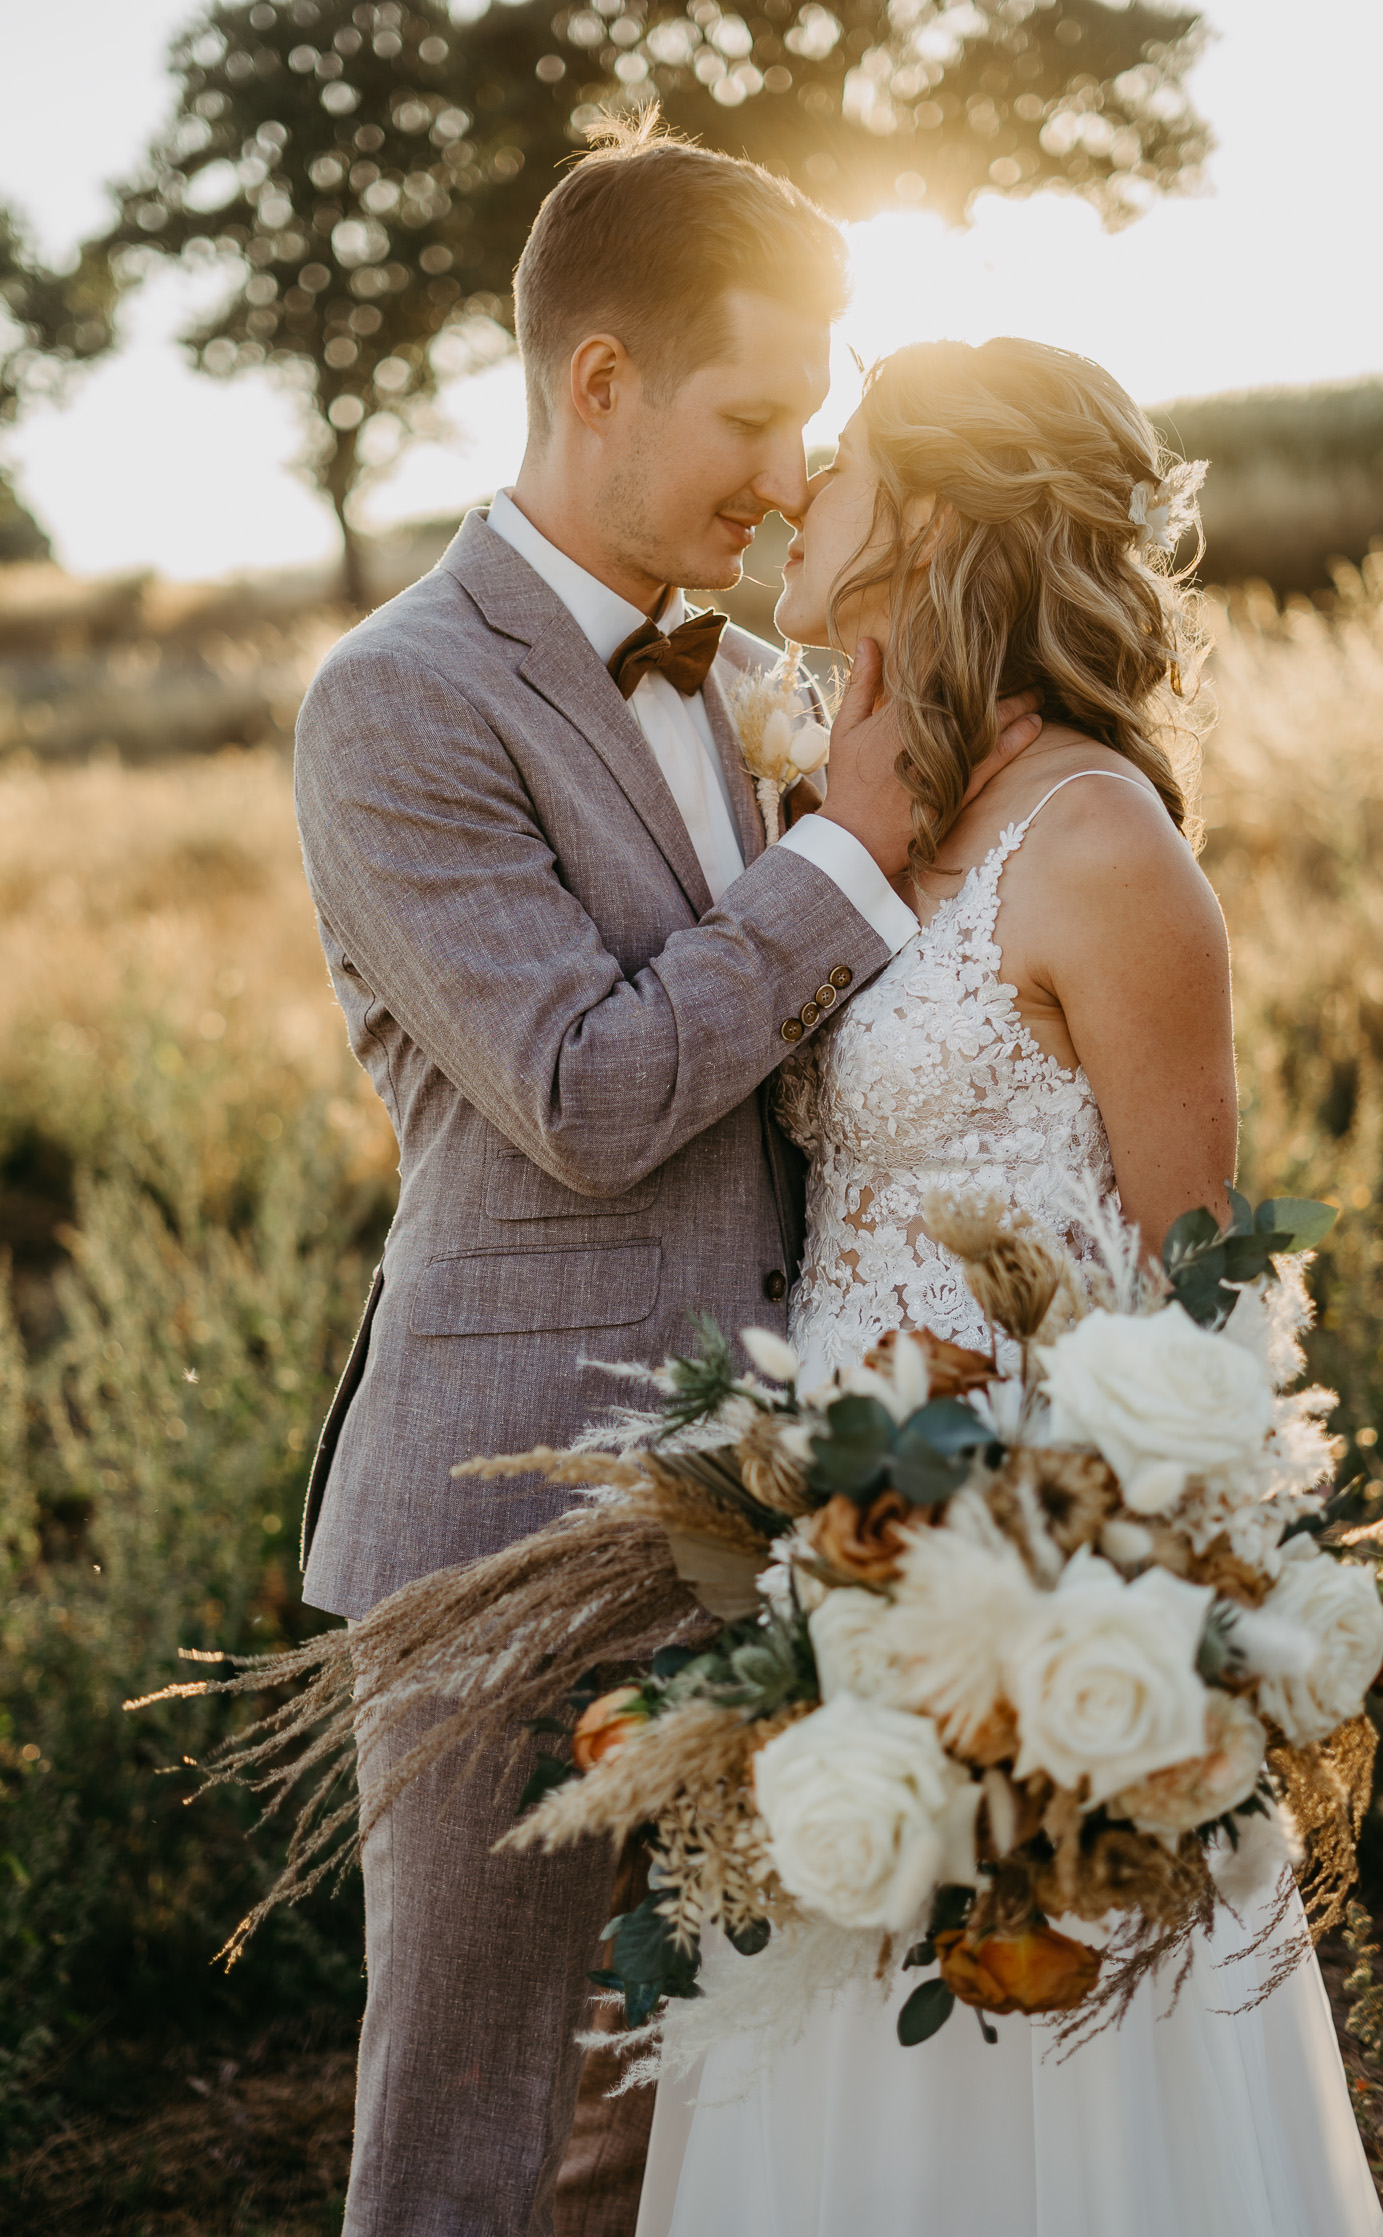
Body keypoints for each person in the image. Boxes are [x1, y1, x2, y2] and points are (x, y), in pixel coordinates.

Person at [291, 123, 1043, 2235]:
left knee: (691, 2122)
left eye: (810, 421)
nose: (793, 475)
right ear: (600, 381)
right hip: (498, 1525)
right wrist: (849, 850)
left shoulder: (744, 681)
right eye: (752, 415)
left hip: (775, 1518)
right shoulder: (396, 702)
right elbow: (589, 1089)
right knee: (473, 2133)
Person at [635, 339, 1383, 2236]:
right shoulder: (864, 800)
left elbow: (1199, 1307)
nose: (796, 484)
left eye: (841, 453)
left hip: (1033, 1612)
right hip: (837, 1580)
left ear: (941, 510)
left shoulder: (1101, 842)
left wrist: (1090, 1662)